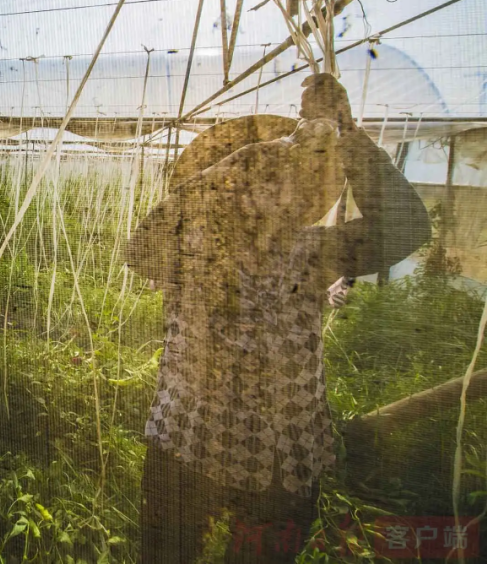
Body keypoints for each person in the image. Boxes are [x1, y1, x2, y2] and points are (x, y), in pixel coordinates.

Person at [125, 74, 430, 563]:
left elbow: (407, 225)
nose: (262, 188)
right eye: (249, 177)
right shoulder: (187, 251)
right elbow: (140, 245)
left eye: (277, 178)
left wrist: (344, 131)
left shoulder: (310, 252)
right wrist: (238, 166)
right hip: (185, 448)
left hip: (275, 465)